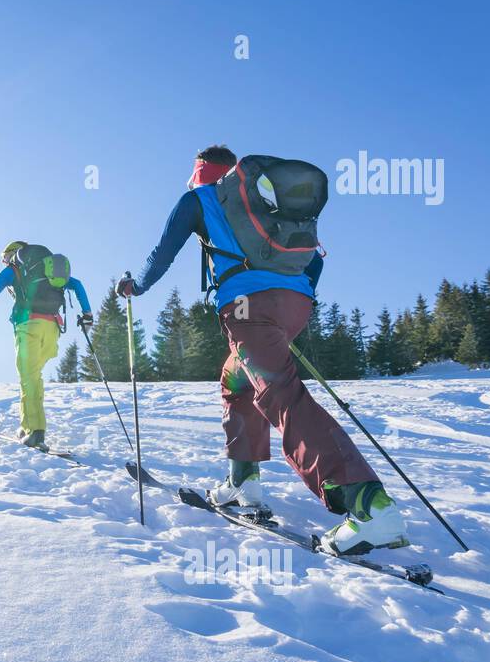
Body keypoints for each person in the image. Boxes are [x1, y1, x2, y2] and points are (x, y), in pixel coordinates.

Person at [116, 145, 408, 555]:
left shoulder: (199, 199)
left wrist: (136, 285)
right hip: (293, 304)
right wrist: (287, 304)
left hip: (248, 307)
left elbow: (162, 253)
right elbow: (314, 262)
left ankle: (370, 507)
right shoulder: (265, 202)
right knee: (236, 381)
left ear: (199, 172)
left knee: (281, 397)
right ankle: (243, 481)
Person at [0, 241, 93, 448]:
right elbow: (77, 285)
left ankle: (35, 431)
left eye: (4, 258)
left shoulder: (14, 269)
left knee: (29, 379)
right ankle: (28, 425)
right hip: (52, 329)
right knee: (34, 377)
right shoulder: (48, 269)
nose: (4, 262)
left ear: (12, 254)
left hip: (29, 326)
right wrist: (87, 314)